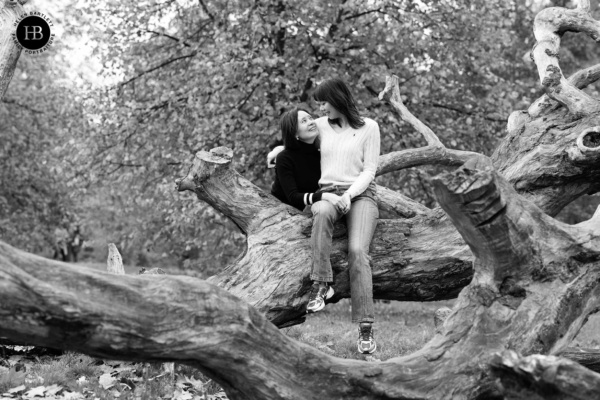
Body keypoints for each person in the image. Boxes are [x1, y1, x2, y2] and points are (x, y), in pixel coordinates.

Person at [269, 78, 381, 354]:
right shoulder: (319, 125)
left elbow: (369, 171)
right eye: (318, 105)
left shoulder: (369, 127)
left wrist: (349, 196)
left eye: (323, 102)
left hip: (361, 194)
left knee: (358, 251)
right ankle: (321, 284)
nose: (320, 109)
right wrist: (275, 152)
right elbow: (294, 140)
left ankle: (365, 328)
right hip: (327, 193)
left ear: (337, 99)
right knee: (320, 211)